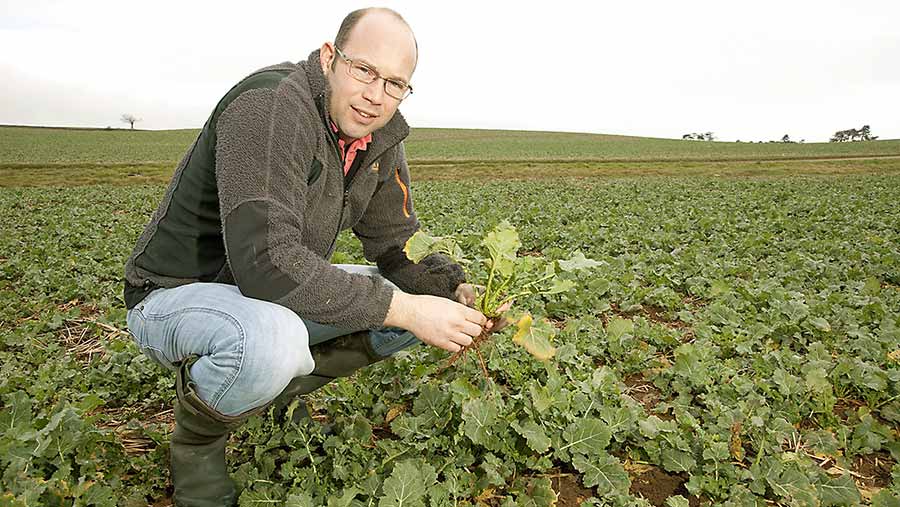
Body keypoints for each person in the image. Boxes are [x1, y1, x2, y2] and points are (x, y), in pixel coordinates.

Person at [122, 8, 498, 506]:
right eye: (364, 70)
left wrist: (450, 290)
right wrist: (408, 310)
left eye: (395, 83)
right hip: (177, 295)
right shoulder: (270, 107)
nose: (375, 95)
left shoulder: (379, 138)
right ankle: (197, 447)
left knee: (409, 295)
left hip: (263, 293)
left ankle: (274, 392)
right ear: (329, 58)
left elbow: (396, 243)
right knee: (274, 340)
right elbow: (265, 261)